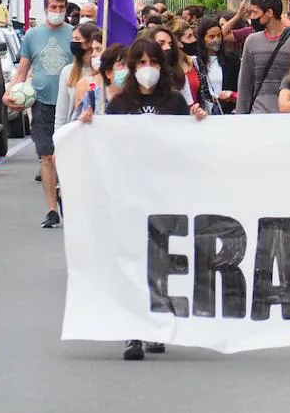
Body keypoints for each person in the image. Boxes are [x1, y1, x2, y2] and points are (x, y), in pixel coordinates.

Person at [78, 37, 206, 361]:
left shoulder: (175, 102)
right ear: (131, 68)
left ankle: (156, 324)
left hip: (163, 193)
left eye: (152, 63)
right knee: (132, 259)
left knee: (159, 261)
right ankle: (131, 331)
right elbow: (105, 147)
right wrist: (90, 124)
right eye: (140, 63)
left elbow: (187, 145)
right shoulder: (119, 104)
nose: (147, 69)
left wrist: (198, 120)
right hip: (129, 192)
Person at [4, 0, 74, 228]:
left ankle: (68, 197)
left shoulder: (74, 35)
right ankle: (52, 210)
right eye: (53, 8)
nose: (57, 12)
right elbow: (22, 71)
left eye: (61, 8)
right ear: (45, 9)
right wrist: (9, 91)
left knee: (64, 158)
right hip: (43, 104)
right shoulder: (32, 36)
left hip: (70, 105)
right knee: (46, 156)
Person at [237, 0, 290, 114]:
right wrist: (240, 116)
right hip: (258, 114)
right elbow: (245, 83)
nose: (252, 17)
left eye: (255, 12)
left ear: (269, 13)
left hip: (289, 114)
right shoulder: (252, 41)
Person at [54, 22, 103, 131]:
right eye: (72, 39)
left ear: (89, 42)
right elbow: (62, 110)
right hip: (75, 131)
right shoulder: (68, 71)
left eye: (77, 39)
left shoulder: (101, 70)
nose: (73, 43)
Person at [196, 17, 237, 115]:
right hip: (203, 113)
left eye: (219, 35)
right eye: (211, 36)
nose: (216, 39)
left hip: (227, 111)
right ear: (202, 38)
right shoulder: (195, 61)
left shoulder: (232, 59)